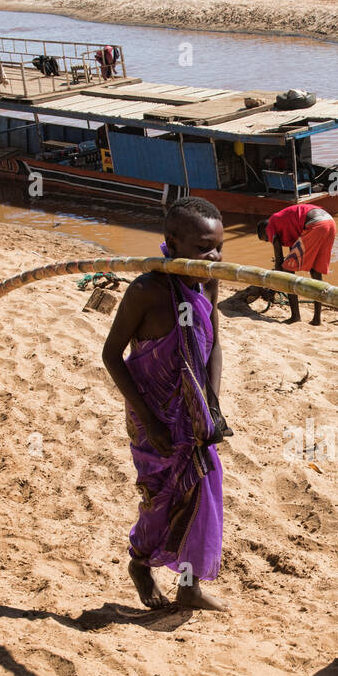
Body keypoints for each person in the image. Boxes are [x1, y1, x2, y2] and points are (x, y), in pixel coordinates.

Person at [101, 197, 229, 612]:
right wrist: (148, 418)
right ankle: (140, 562)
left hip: (197, 417)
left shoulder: (206, 281)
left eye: (218, 247)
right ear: (171, 242)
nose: (213, 257)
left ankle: (189, 586)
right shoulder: (147, 290)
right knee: (160, 498)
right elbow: (111, 354)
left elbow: (213, 345)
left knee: (200, 498)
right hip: (154, 415)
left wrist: (213, 402)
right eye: (202, 247)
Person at [256, 202, 337, 325]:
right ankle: (317, 319)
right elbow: (292, 253)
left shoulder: (271, 225)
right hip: (329, 222)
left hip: (315, 224)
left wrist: (272, 289)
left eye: (266, 238)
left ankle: (295, 316)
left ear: (265, 230)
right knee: (315, 271)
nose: (269, 240)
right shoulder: (284, 222)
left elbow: (279, 262)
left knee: (288, 271)